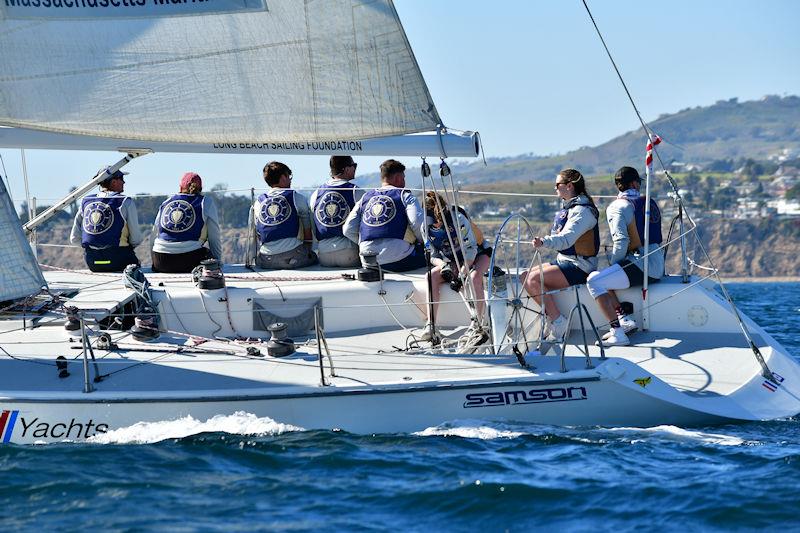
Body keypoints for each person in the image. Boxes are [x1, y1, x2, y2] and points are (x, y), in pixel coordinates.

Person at [586, 166, 665, 346]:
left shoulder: (617, 207)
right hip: (657, 266)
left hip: (641, 267)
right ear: (635, 184)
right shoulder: (649, 203)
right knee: (600, 278)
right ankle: (624, 319)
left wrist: (614, 266)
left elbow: (621, 241)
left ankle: (618, 332)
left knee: (594, 281)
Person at [523, 168, 599, 339]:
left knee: (533, 280)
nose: (555, 189)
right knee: (523, 277)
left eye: (557, 185)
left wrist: (544, 242)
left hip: (580, 266)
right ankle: (551, 317)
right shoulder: (573, 208)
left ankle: (559, 322)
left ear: (569, 186)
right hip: (566, 261)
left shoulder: (582, 212)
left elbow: (566, 239)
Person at [423, 191, 491, 341]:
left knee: (473, 278)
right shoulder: (425, 227)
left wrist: (462, 272)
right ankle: (431, 325)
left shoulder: (458, 219)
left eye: (438, 222)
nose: (436, 225)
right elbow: (433, 255)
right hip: (452, 260)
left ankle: (479, 324)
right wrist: (443, 266)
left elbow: (472, 248)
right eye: (433, 223)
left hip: (478, 254)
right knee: (430, 277)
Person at [343, 159, 426, 272]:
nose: (404, 182)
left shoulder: (365, 198)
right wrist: (423, 242)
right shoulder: (405, 196)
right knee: (434, 255)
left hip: (368, 261)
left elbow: (347, 229)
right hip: (399, 260)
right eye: (403, 178)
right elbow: (419, 225)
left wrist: (365, 241)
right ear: (397, 178)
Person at [70, 167, 143, 272]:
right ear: (113, 182)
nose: (124, 182)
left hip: (92, 262)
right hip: (118, 260)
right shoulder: (125, 201)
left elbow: (74, 238)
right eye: (121, 178)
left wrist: (94, 247)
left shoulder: (86, 201)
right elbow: (136, 239)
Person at [150, 172, 222, 273]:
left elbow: (154, 235)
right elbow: (214, 237)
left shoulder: (166, 202)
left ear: (180, 187)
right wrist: (217, 262)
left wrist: (154, 261)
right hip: (190, 259)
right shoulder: (205, 202)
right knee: (207, 255)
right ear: (200, 188)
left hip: (160, 260)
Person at [250, 161, 317, 269]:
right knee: (315, 258)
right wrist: (308, 250)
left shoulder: (258, 202)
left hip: (265, 260)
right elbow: (307, 230)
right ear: (283, 177)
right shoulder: (296, 197)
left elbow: (259, 234)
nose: (290, 180)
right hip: (293, 257)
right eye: (289, 176)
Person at [309, 156, 363, 267]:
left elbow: (314, 229)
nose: (355, 169)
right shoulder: (355, 191)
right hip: (349, 253)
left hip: (324, 256)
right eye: (354, 166)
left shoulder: (316, 194)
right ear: (346, 169)